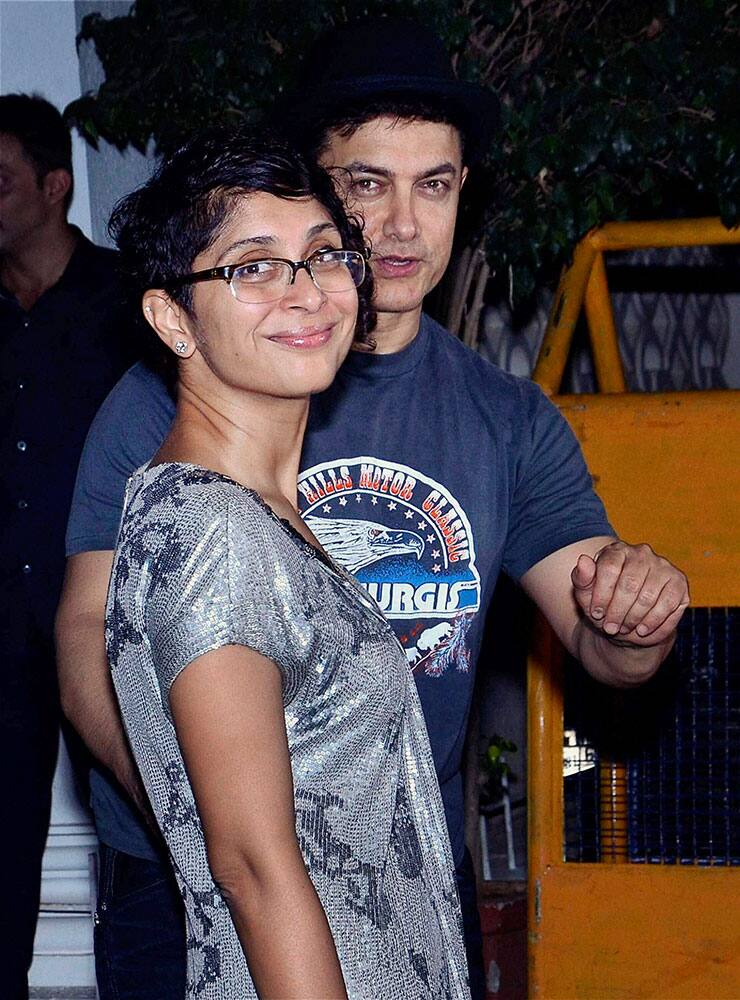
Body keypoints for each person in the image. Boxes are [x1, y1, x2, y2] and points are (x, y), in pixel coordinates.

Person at [56, 19, 689, 1000]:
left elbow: (607, 643)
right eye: (364, 185)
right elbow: (89, 634)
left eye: (431, 185)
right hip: (192, 892)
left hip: (406, 869)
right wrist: (207, 810)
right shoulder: (182, 400)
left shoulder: (501, 415)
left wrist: (637, 613)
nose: (397, 227)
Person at [104, 124, 470, 999]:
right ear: (171, 319)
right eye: (253, 267)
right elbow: (252, 868)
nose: (306, 293)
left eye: (324, 256)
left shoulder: (264, 515)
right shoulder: (211, 530)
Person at [0, 93, 142, 1000]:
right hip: (1, 627)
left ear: (56, 186)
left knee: (143, 821)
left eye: (0, 179)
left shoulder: (131, 305)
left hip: (106, 621)